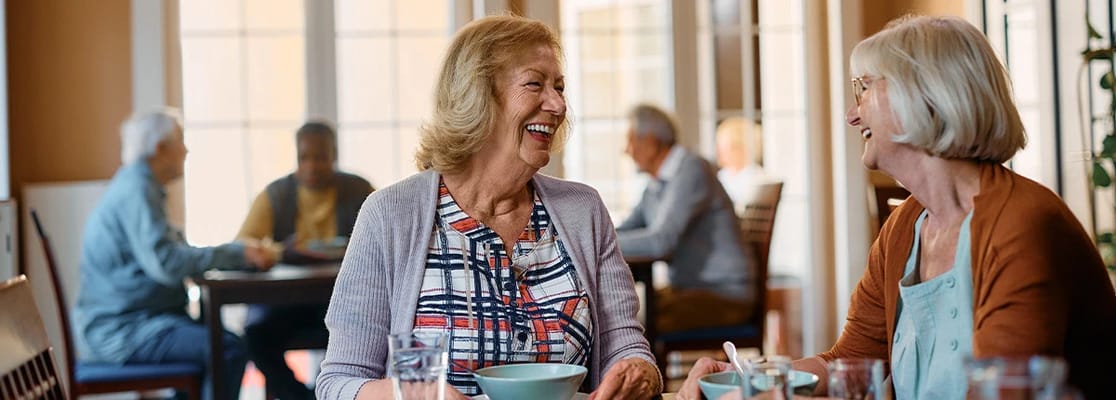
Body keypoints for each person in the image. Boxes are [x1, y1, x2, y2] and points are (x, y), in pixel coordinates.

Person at [677, 15, 1116, 400]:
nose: (852, 115)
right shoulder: (907, 225)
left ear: (925, 96)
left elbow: (1004, 389)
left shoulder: (1022, 224)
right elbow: (849, 360)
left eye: (865, 89)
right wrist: (745, 380)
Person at [316, 15, 661, 400]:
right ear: (478, 96)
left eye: (560, 88)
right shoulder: (390, 215)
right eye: (535, 84)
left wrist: (638, 371)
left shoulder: (584, 210)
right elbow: (339, 382)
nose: (558, 104)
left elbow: (625, 345)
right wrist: (413, 394)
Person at [73, 107, 278, 400]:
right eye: (180, 141)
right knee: (227, 349)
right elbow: (167, 264)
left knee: (225, 342)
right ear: (160, 149)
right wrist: (237, 255)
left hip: (134, 321)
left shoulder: (138, 185)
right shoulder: (137, 190)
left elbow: (171, 254)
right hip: (124, 330)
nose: (186, 150)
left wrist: (235, 254)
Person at [237, 120, 374, 400]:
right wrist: (280, 251)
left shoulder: (359, 190)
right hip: (286, 303)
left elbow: (384, 238)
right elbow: (243, 245)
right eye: (304, 158)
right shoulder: (276, 194)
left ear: (334, 156)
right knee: (255, 335)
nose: (312, 166)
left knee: (369, 335)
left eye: (320, 157)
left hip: (343, 300)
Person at [617, 104, 755, 334]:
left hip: (724, 295)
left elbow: (660, 243)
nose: (626, 150)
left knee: (628, 323)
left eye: (631, 140)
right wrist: (597, 236)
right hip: (692, 290)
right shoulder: (657, 184)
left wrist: (599, 243)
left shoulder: (691, 170)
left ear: (650, 142)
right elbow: (627, 228)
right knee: (620, 313)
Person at [714, 116, 766, 209]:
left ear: (741, 148)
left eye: (725, 147)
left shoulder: (758, 179)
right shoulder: (722, 176)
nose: (718, 152)